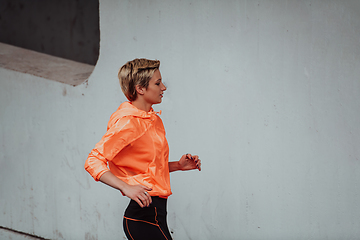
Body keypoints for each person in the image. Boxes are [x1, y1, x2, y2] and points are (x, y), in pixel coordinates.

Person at [84, 58, 201, 240]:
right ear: (140, 88)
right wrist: (125, 187)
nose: (164, 87)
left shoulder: (153, 120)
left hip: (157, 214)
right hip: (142, 216)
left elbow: (148, 167)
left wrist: (178, 165)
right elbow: (93, 160)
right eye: (157, 83)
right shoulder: (128, 122)